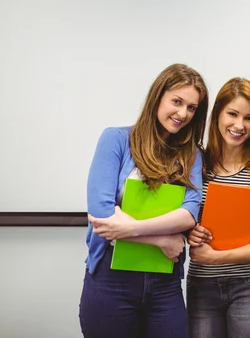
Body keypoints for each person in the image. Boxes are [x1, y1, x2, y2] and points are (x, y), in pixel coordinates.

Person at [79, 63, 209, 338]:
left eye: (191, 107)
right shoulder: (115, 139)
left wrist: (130, 228)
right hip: (111, 281)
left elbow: (189, 214)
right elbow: (102, 213)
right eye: (177, 101)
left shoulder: (192, 155)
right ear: (158, 96)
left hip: (165, 283)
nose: (183, 113)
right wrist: (161, 240)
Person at [186, 77, 250, 338]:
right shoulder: (195, 165)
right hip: (202, 286)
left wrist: (216, 258)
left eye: (249, 118)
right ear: (217, 113)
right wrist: (189, 232)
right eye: (232, 113)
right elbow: (181, 218)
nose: (239, 125)